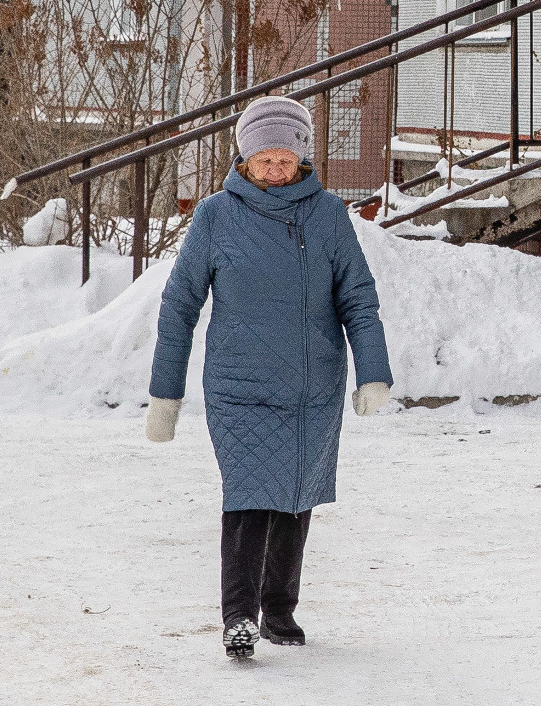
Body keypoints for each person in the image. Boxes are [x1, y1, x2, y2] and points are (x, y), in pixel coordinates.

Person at [145, 94, 392, 661]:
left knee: (296, 497)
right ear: (244, 161)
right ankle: (239, 616)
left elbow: (357, 294)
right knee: (251, 496)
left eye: (286, 159)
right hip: (241, 387)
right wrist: (166, 394)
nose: (276, 170)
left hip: (312, 387)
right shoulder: (216, 216)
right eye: (265, 160)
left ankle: (280, 610)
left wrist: (372, 372)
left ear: (302, 159)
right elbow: (179, 303)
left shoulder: (327, 215)